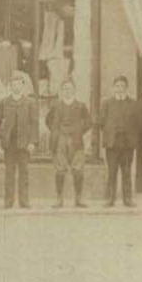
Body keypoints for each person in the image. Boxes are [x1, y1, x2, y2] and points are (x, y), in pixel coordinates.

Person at [0, 71, 39, 209]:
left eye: (18, 84)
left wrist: (32, 142)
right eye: (13, 84)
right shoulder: (5, 102)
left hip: (24, 143)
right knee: (9, 172)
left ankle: (24, 201)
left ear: (23, 86)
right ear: (10, 86)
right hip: (9, 143)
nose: (16, 86)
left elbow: (34, 123)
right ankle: (8, 201)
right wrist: (1, 137)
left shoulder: (30, 102)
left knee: (24, 172)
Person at [97, 75, 142, 208]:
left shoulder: (133, 104)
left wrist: (132, 136)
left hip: (128, 143)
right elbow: (101, 121)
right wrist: (109, 132)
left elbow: (139, 123)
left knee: (127, 171)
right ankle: (110, 199)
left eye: (122, 86)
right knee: (112, 172)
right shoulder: (107, 103)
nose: (120, 89)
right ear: (113, 88)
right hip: (112, 143)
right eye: (117, 86)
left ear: (126, 88)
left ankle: (127, 199)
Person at [46, 79, 91, 208]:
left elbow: (88, 121)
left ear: (74, 91)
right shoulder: (56, 106)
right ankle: (59, 199)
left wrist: (79, 131)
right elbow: (48, 120)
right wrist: (56, 132)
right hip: (60, 140)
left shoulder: (81, 106)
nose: (67, 91)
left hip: (76, 140)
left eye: (70, 89)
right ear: (61, 91)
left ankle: (78, 198)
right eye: (65, 89)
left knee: (78, 170)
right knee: (60, 170)